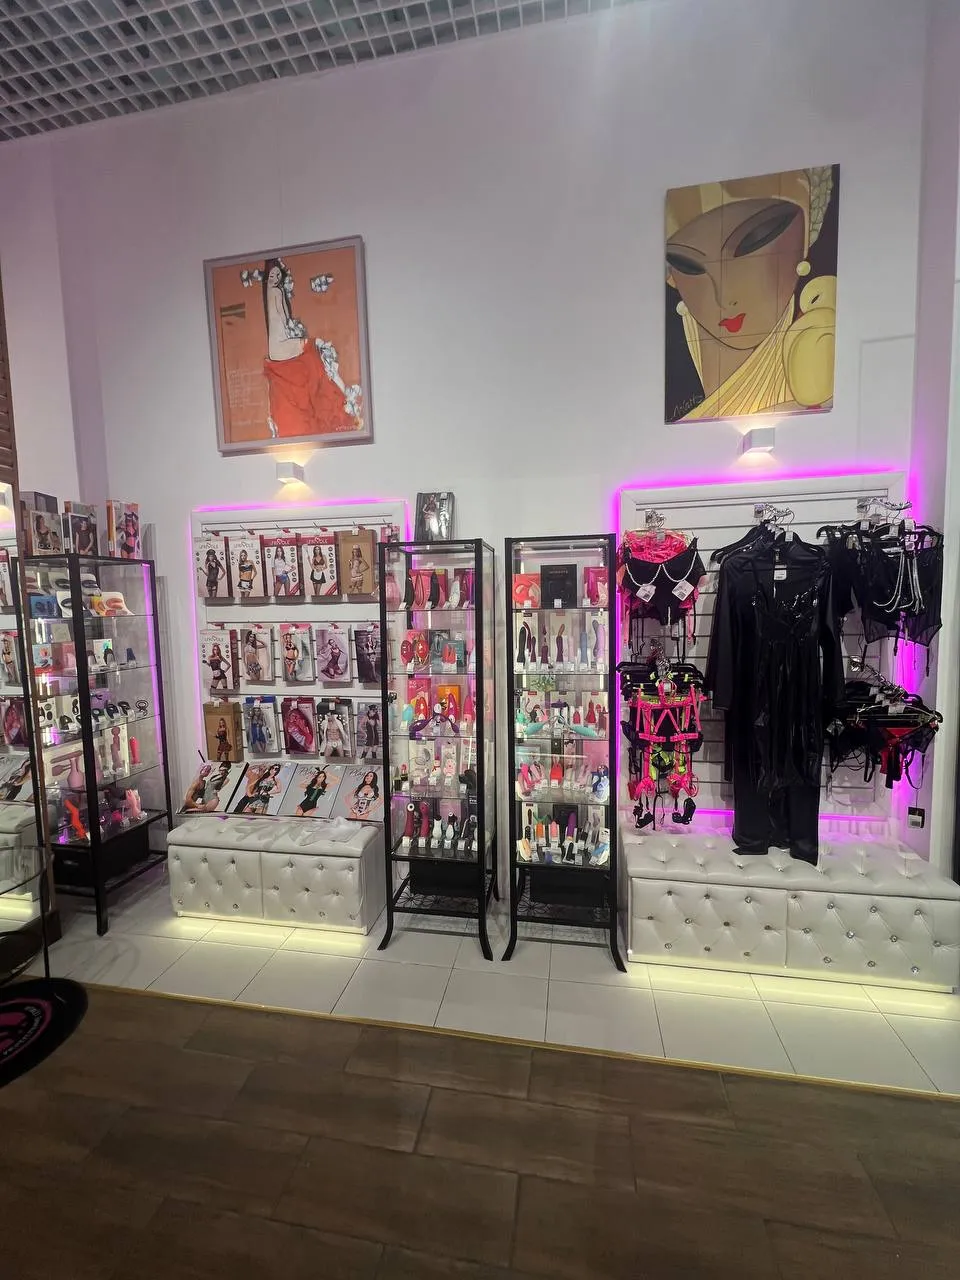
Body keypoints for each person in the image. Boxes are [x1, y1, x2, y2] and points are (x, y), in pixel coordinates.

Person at [665, 166, 837, 423]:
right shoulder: (667, 364)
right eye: (688, 265)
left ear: (805, 233)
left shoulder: (817, 343)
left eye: (754, 240)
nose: (724, 297)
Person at [261, 258, 361, 438]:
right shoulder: (275, 292)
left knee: (314, 350)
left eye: (276, 275)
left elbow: (283, 319)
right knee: (314, 348)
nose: (274, 278)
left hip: (282, 346)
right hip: (280, 347)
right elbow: (281, 318)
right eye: (272, 275)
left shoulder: (277, 292)